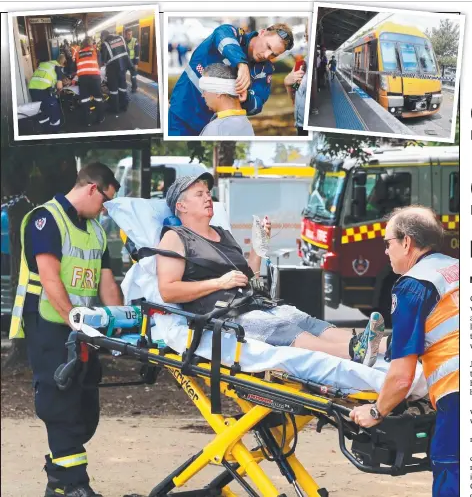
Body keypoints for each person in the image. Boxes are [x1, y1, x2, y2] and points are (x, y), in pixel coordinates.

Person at [157, 174, 387, 364]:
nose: (208, 197)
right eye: (200, 194)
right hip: (225, 314)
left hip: (253, 302)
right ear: (181, 205)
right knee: (281, 327)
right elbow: (168, 290)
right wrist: (219, 283)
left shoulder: (222, 233)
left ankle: (385, 346)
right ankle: (352, 352)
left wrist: (259, 245)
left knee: (304, 319)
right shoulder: (175, 238)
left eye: (208, 192)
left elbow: (249, 277)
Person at [9, 163, 123, 497]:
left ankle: (60, 481)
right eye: (104, 202)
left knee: (85, 408)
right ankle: (72, 486)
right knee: (61, 405)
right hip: (49, 325)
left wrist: (118, 325)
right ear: (91, 188)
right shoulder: (46, 220)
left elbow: (106, 283)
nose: (105, 210)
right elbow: (49, 278)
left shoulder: (97, 231)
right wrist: (75, 320)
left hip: (81, 329)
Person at [350, 206, 458, 497]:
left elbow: (401, 378)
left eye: (388, 243)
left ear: (407, 242)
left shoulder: (413, 286)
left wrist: (375, 411)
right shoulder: (455, 269)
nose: (386, 251)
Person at [168, 23, 294, 136]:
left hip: (214, 127)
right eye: (268, 46)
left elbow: (258, 104)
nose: (266, 55)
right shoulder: (231, 35)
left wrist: (247, 98)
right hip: (181, 115)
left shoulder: (264, 71)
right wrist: (241, 63)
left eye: (273, 55)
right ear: (262, 32)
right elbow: (221, 33)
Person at [199, 63, 254, 136]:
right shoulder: (246, 124)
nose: (203, 95)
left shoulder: (216, 128)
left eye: (204, 90)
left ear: (218, 91)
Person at [28, 54, 68, 134]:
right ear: (63, 64)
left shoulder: (48, 64)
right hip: (43, 89)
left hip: (32, 88)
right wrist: (60, 90)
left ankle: (44, 130)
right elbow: (59, 87)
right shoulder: (58, 68)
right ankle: (56, 131)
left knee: (42, 109)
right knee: (54, 109)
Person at [284, 23, 309, 136]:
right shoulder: (301, 64)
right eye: (307, 35)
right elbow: (294, 97)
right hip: (301, 125)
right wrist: (287, 82)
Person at [100, 29, 132, 115]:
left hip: (112, 69)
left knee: (113, 89)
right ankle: (124, 105)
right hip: (123, 67)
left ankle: (115, 108)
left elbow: (103, 59)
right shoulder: (121, 38)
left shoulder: (105, 44)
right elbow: (127, 52)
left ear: (103, 36)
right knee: (122, 86)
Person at [76, 37, 105, 126]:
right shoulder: (96, 51)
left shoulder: (78, 53)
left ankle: (87, 121)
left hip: (83, 79)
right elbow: (99, 64)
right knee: (98, 98)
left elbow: (76, 66)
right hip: (94, 78)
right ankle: (100, 118)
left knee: (85, 100)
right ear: (90, 43)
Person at [124, 28, 140, 93]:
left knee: (133, 76)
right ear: (125, 35)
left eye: (131, 34)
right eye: (128, 34)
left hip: (132, 61)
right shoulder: (123, 41)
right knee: (122, 75)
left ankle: (134, 88)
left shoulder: (135, 41)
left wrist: (136, 64)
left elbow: (137, 53)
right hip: (125, 61)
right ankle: (123, 87)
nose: (130, 35)